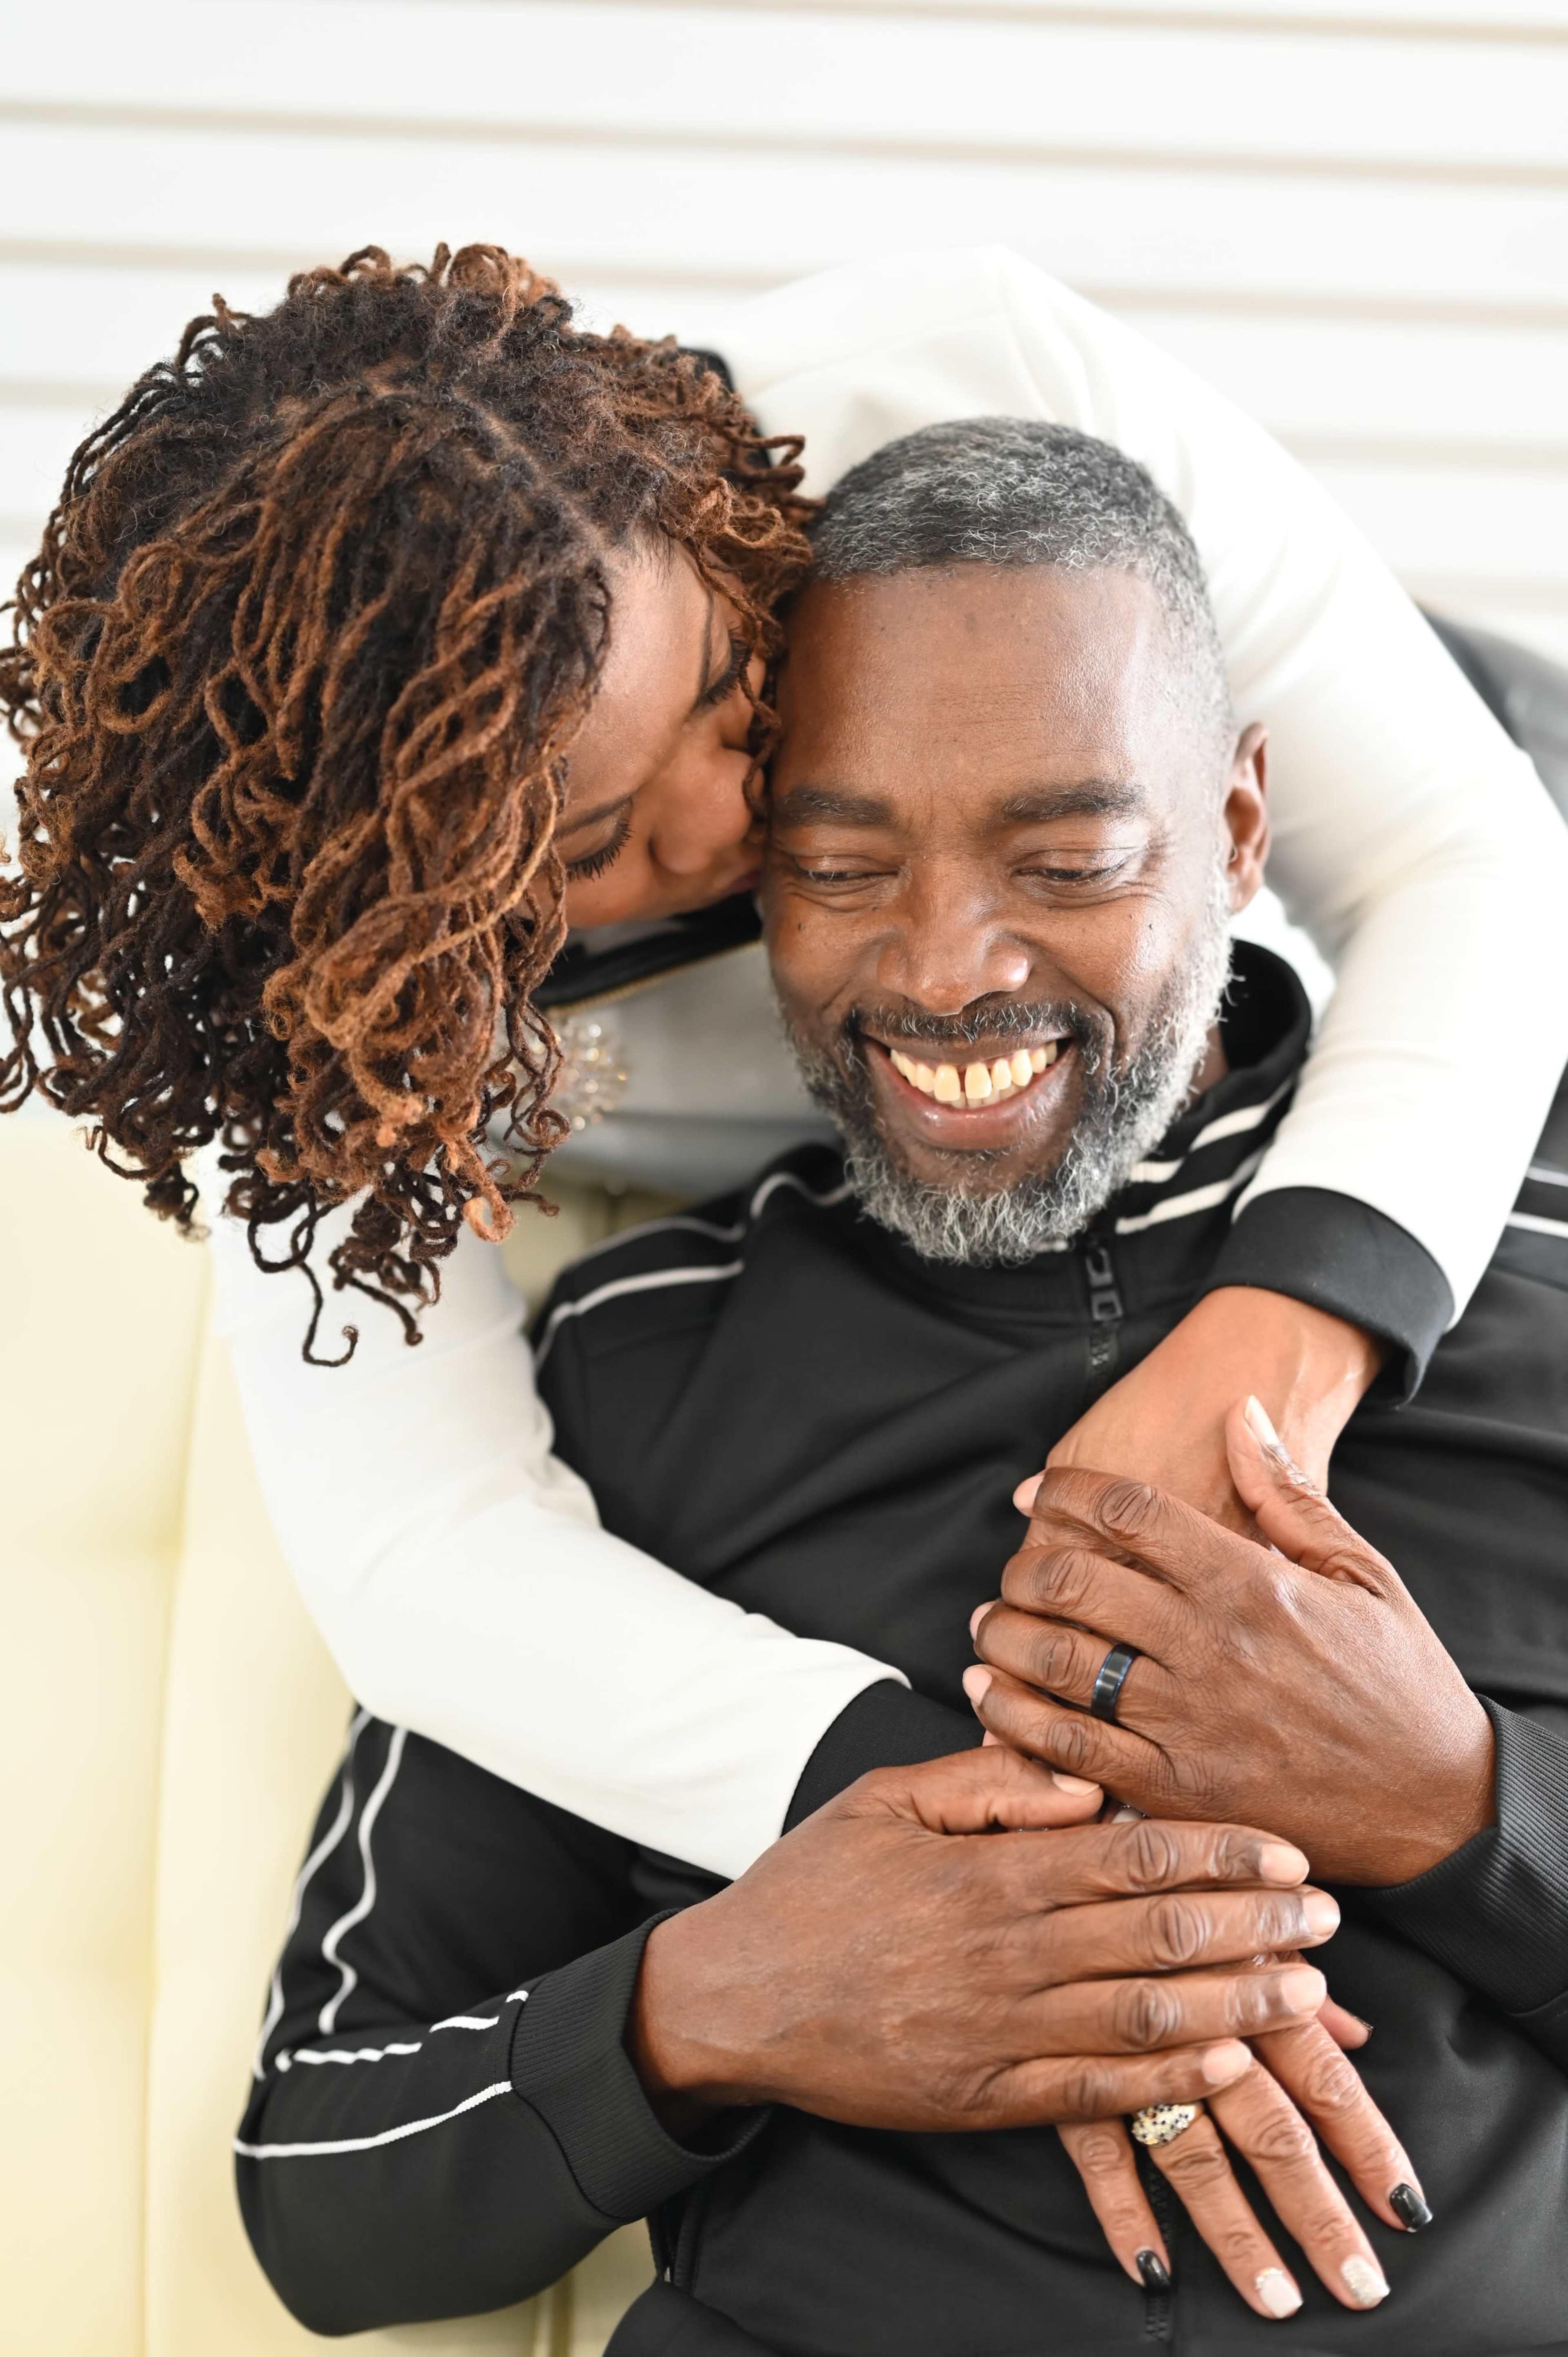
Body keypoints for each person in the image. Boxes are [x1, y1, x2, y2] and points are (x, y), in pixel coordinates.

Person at [238, 425, 1568, 2352]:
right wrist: (717, 2003)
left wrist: (1460, 1804)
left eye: (1068, 858)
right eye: (842, 865)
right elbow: (322, 2199)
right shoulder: (627, 1379)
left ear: (1240, 831)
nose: (949, 972)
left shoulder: (1534, 1258)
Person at [8, 244, 1548, 1893]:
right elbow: (420, 1548)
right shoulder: (312, 974)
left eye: (733, 684)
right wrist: (937, 1812)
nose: (744, 814)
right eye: (594, 839)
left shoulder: (977, 367)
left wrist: (1281, 1343)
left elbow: (1465, 858)